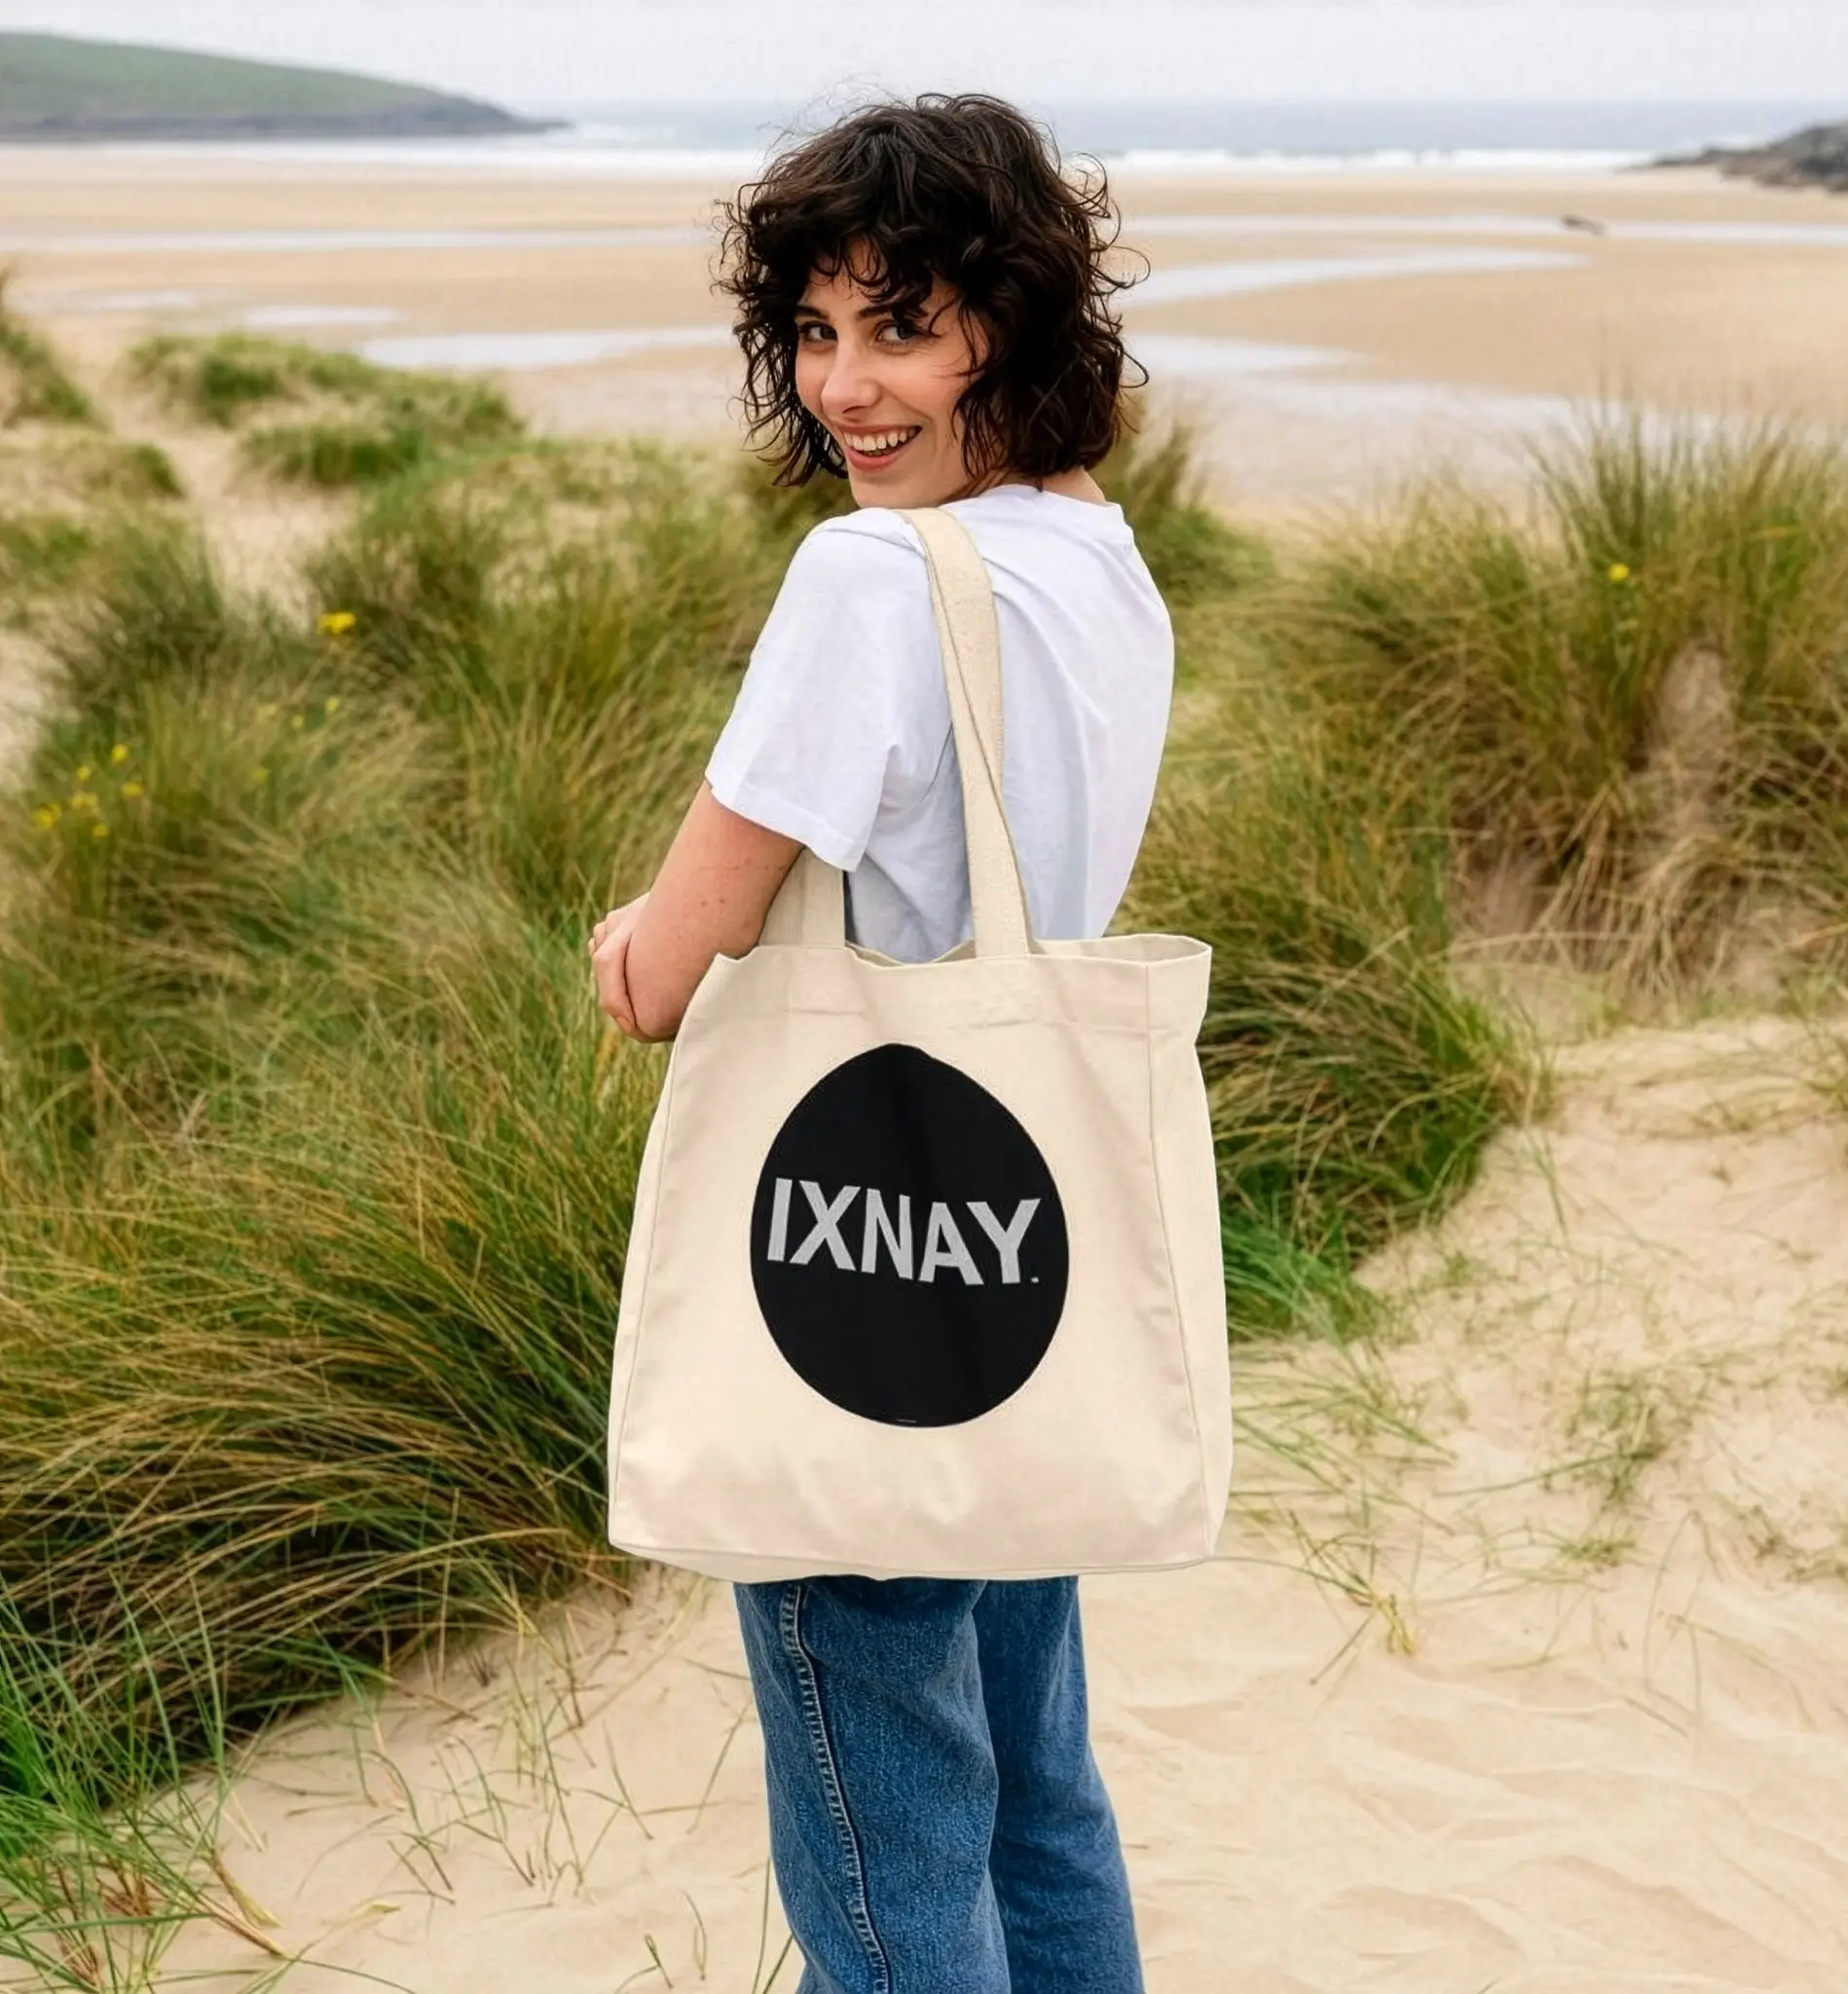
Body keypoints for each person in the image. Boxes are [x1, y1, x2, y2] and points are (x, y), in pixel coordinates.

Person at [587, 93, 1170, 1993]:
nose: (847, 385)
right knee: (1035, 1795)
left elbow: (674, 964)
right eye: (817, 331)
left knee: (884, 1849)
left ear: (1007, 324)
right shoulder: (1089, 551)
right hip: (1025, 1260)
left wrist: (622, 939)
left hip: (860, 1268)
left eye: (901, 326)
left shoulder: (869, 583)